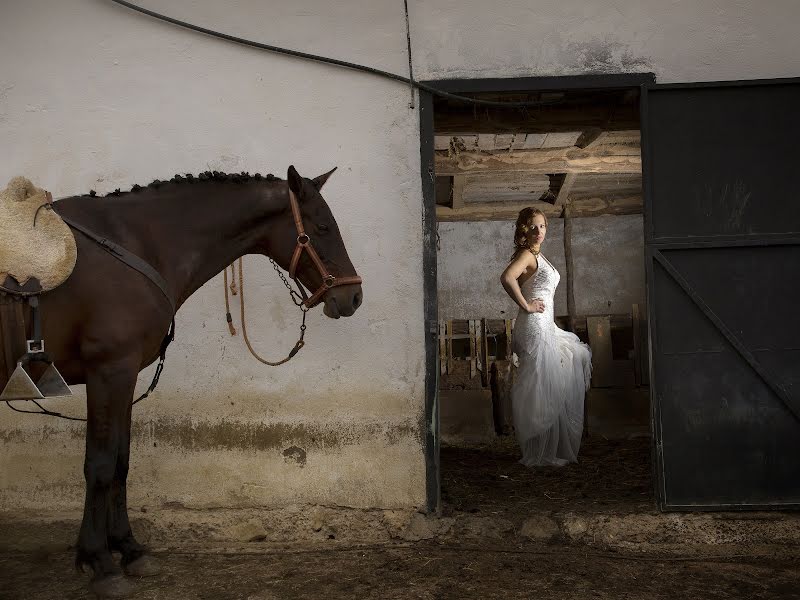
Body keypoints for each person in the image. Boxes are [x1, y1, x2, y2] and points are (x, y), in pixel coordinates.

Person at [500, 207, 592, 467]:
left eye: (542, 226)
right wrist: (526, 306)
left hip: (545, 323)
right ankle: (538, 452)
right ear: (523, 229)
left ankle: (546, 448)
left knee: (573, 357)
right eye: (533, 226)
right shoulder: (526, 254)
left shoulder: (538, 255)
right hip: (534, 324)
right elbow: (507, 278)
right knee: (541, 382)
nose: (539, 231)